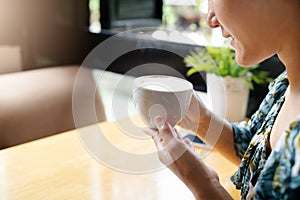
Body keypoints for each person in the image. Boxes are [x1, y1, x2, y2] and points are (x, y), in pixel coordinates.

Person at [144, 0, 300, 199]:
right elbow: (260, 153)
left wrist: (200, 180)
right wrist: (202, 120)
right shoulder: (286, 82)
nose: (211, 19)